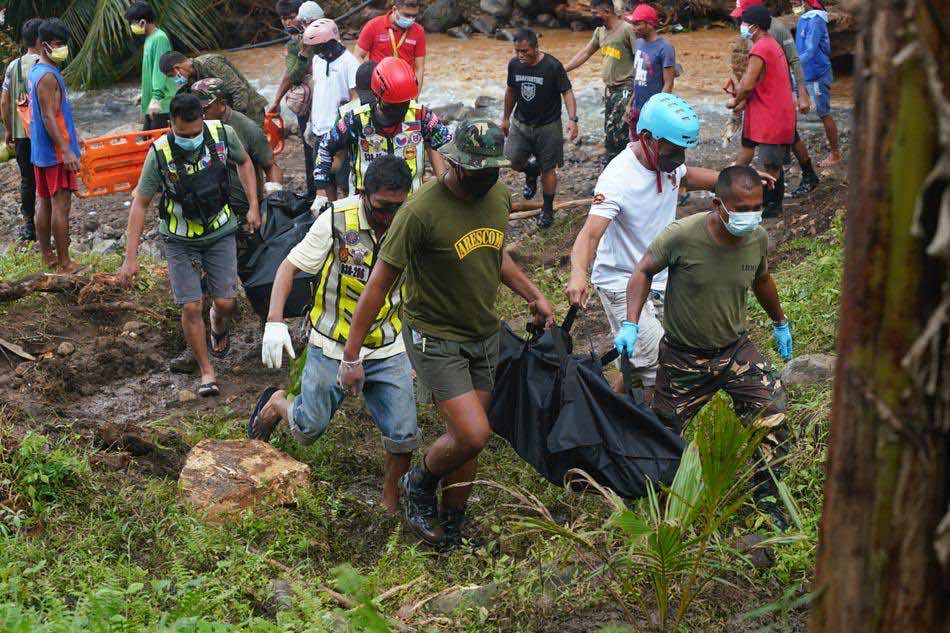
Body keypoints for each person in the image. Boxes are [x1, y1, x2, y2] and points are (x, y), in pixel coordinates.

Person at [338, 119, 556, 548]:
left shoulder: (498, 196)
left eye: (491, 170)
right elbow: (378, 284)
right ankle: (417, 483)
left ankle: (452, 525)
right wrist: (351, 354)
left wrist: (534, 294)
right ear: (455, 164)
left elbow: (494, 254)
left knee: (468, 443)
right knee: (474, 432)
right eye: (476, 170)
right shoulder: (420, 211)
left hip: (483, 332)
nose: (485, 178)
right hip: (435, 335)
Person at [617, 165, 793, 528]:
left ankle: (769, 500)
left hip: (735, 352)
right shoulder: (682, 235)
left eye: (756, 207)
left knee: (773, 413)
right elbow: (643, 270)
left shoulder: (757, 238)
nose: (751, 216)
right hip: (684, 358)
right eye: (741, 209)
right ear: (718, 205)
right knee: (661, 438)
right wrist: (631, 322)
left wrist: (780, 322)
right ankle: (653, 511)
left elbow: (762, 279)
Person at [249, 155, 420, 513]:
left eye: (397, 207)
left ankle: (390, 506)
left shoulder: (411, 221)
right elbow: (289, 267)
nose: (389, 218)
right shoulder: (337, 219)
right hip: (332, 341)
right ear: (363, 194)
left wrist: (418, 341)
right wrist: (275, 320)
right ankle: (278, 403)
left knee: (403, 434)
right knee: (307, 429)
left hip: (386, 343)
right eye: (382, 208)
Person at [566, 93, 714, 398]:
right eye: (674, 151)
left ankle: (609, 409)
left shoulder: (666, 162)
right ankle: (652, 426)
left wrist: (736, 180)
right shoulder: (618, 178)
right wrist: (578, 273)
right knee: (661, 366)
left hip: (658, 277)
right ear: (647, 139)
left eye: (683, 151)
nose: (679, 159)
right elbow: (590, 234)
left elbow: (689, 177)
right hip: (621, 281)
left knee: (640, 359)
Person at [118, 94, 261, 397]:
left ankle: (217, 323)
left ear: (203, 120)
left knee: (227, 303)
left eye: (196, 132)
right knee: (191, 305)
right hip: (179, 238)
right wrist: (130, 258)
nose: (191, 139)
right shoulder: (159, 153)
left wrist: (253, 205)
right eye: (184, 134)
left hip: (220, 230)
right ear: (171, 124)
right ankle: (207, 371)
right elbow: (140, 203)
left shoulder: (223, 134)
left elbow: (245, 162)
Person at [313, 57, 449, 203]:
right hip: (365, 203)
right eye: (392, 106)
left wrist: (447, 188)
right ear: (377, 96)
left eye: (404, 104)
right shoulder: (356, 120)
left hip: (411, 204)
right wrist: (321, 192)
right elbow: (325, 147)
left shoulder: (421, 115)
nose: (399, 111)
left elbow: (450, 145)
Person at [728, 0, 819, 197]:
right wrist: (743, 96)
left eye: (743, 19)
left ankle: (775, 200)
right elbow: (751, 73)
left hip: (772, 105)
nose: (740, 24)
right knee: (749, 143)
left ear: (754, 22)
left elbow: (793, 59)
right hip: (766, 100)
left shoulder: (772, 34)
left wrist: (802, 93)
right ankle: (728, 185)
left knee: (776, 155)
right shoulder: (763, 39)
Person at [501, 28, 578, 229]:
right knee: (512, 161)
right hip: (521, 123)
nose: (520, 55)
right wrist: (505, 118)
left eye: (525, 51)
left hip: (548, 126)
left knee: (548, 169)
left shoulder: (552, 66)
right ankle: (530, 170)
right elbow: (510, 91)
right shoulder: (514, 65)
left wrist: (572, 119)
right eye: (517, 51)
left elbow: (567, 93)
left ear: (536, 47)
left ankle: (547, 208)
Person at [726, 5, 795, 218]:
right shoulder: (770, 44)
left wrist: (736, 100)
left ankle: (772, 206)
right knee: (747, 148)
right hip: (767, 110)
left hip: (771, 115)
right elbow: (759, 81)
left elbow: (748, 84)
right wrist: (742, 100)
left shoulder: (760, 48)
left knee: (771, 165)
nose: (741, 27)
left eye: (743, 23)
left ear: (754, 27)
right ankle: (729, 187)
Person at [29, 18, 81, 273]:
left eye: (63, 44)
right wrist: (67, 149)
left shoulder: (36, 70)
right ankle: (65, 263)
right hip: (55, 153)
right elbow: (49, 117)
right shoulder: (48, 76)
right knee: (61, 205)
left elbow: (55, 115)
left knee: (45, 203)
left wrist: (73, 138)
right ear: (44, 45)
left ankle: (48, 257)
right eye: (58, 44)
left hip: (41, 151)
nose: (62, 49)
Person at [192, 78, 282, 217]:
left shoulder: (247, 127)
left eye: (205, 109)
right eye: (196, 109)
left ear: (222, 104)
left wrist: (274, 202)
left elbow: (270, 166)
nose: (201, 114)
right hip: (210, 206)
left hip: (241, 209)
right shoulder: (196, 126)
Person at [564, 0, 638, 164]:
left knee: (619, 133)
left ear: (607, 11)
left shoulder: (626, 29)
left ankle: (617, 164)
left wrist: (636, 93)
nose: (592, 16)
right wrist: (563, 69)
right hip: (610, 90)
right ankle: (614, 162)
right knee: (609, 129)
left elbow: (640, 58)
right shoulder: (600, 31)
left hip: (625, 88)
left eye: (595, 13)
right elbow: (586, 52)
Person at [268, 0, 324, 195]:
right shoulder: (293, 44)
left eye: (291, 17)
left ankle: (324, 192)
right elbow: (291, 75)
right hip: (309, 103)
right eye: (283, 19)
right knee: (309, 148)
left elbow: (292, 75)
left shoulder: (321, 36)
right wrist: (276, 100)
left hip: (323, 100)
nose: (287, 22)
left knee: (324, 147)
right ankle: (313, 192)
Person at [302, 18, 359, 200]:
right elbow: (317, 92)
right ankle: (330, 212)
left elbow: (355, 98)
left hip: (339, 132)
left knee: (346, 181)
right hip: (319, 129)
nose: (317, 51)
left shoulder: (349, 62)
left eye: (320, 46)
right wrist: (310, 123)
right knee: (324, 180)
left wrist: (345, 127)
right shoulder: (318, 60)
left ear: (332, 42)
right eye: (315, 47)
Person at [1, 18, 41, 243]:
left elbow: (4, 102)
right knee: (46, 178)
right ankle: (48, 221)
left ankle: (29, 225)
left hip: (20, 133)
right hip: (42, 133)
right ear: (41, 39)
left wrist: (8, 129)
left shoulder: (13, 66)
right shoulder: (45, 63)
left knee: (27, 179)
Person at [159, 51, 268, 126]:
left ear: (177, 69)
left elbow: (239, 91)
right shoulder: (190, 80)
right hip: (226, 114)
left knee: (255, 149)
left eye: (171, 76)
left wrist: (234, 119)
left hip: (250, 111)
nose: (174, 80)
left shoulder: (211, 63)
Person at [793, 0, 841, 167]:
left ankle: (835, 153)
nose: (793, 4)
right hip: (803, 72)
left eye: (795, 1)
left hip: (817, 74)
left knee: (824, 113)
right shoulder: (804, 18)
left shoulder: (816, 20)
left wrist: (791, 65)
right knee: (791, 107)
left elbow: (811, 50)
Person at [624, 3, 675, 137]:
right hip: (636, 109)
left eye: (637, 24)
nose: (633, 28)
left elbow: (668, 84)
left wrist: (656, 112)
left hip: (653, 112)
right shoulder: (639, 43)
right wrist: (629, 104)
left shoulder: (665, 48)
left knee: (651, 147)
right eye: (633, 24)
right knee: (634, 146)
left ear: (650, 24)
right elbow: (639, 79)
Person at [125, 1, 177, 130]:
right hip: (152, 102)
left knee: (156, 140)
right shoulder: (150, 38)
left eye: (132, 23)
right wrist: (145, 94)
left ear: (142, 22)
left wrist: (156, 98)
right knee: (146, 138)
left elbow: (160, 70)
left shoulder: (160, 38)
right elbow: (150, 71)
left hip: (162, 104)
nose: (131, 26)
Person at [355, 0, 426, 88]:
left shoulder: (419, 31)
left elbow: (419, 68)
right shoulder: (373, 25)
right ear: (394, 9)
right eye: (407, 15)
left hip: (406, 87)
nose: (410, 19)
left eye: (414, 16)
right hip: (378, 87)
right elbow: (357, 56)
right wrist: (372, 77)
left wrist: (416, 93)